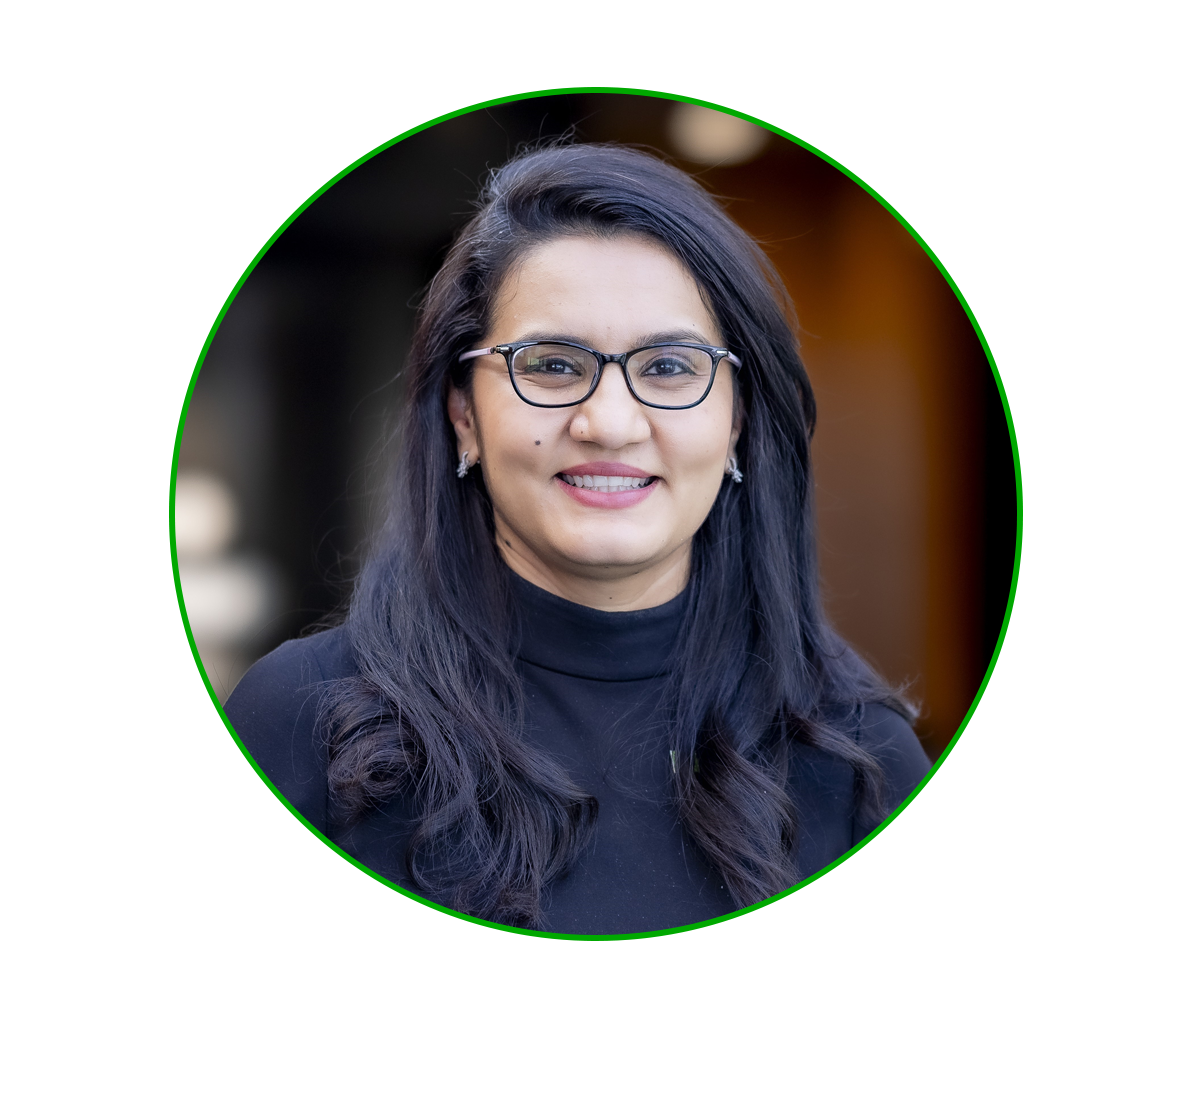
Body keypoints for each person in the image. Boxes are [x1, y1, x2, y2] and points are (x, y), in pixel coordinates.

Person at [225, 142, 930, 934]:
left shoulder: (862, 761)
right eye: (553, 366)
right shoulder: (300, 727)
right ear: (464, 416)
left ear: (737, 421)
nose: (610, 423)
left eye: (669, 368)